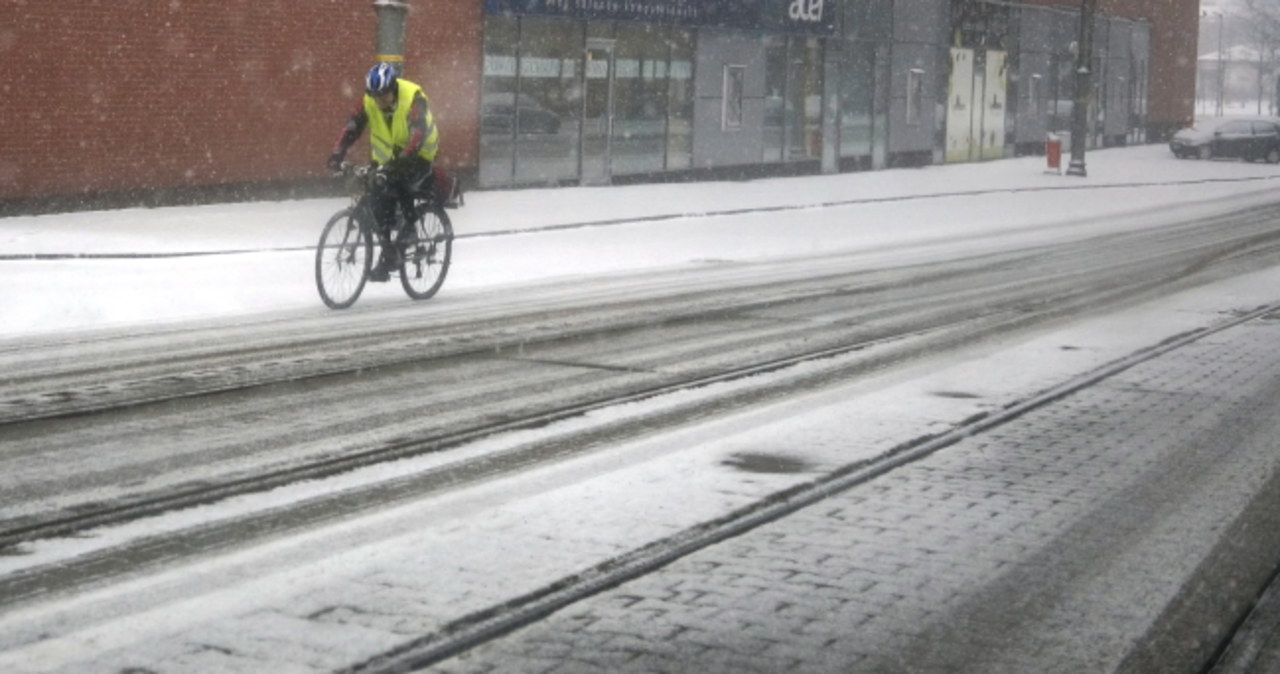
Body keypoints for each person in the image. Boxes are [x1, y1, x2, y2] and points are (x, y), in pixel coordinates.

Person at [328, 62, 440, 281]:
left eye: (384, 95)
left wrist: (396, 165)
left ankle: (407, 232)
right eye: (375, 95)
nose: (379, 101)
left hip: (418, 154)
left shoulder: (413, 97)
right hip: (388, 157)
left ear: (393, 88)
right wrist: (337, 152)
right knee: (377, 195)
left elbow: (417, 134)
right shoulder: (369, 100)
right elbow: (353, 125)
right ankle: (389, 250)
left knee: (398, 184)